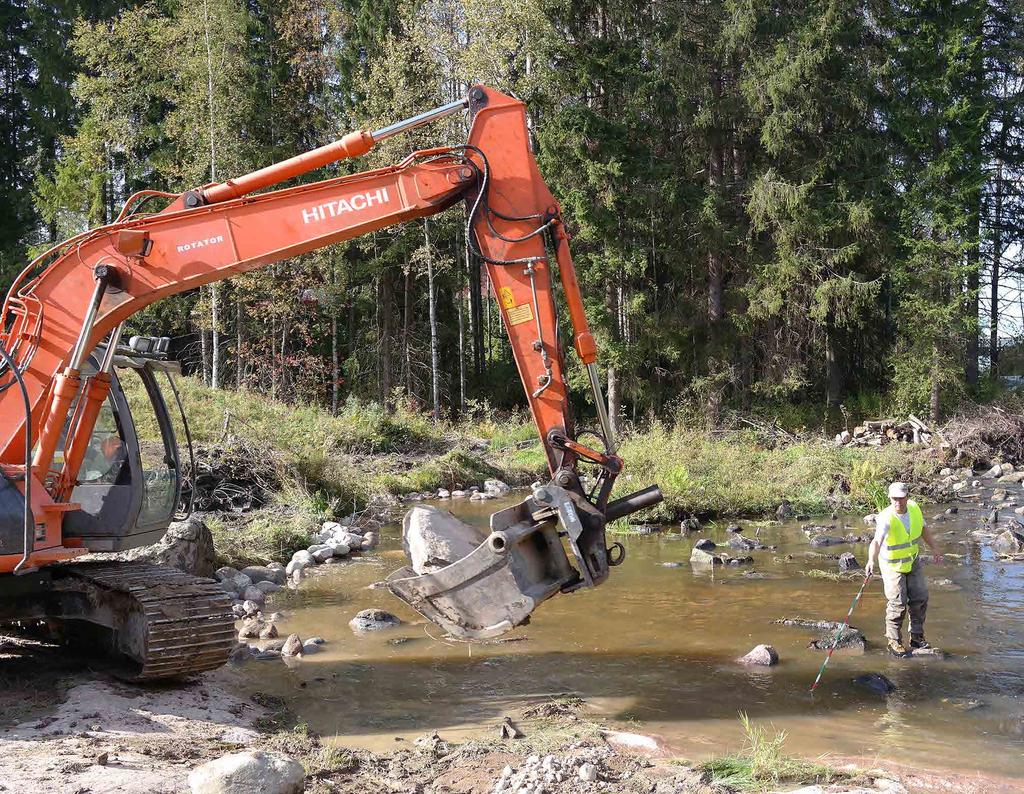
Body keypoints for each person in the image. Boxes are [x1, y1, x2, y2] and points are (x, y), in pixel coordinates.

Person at [865, 481, 941, 657]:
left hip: (912, 561)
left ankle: (917, 637)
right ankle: (894, 640)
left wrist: (934, 548)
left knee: (920, 598)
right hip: (892, 565)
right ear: (889, 498)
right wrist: (871, 560)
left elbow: (923, 529)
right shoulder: (886, 517)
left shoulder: (914, 508)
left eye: (901, 498)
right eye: (894, 499)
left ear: (907, 496)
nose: (897, 502)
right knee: (898, 603)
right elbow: (876, 541)